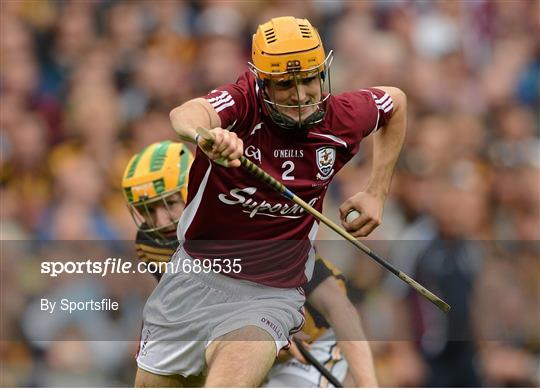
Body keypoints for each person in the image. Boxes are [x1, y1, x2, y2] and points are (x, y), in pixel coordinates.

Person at [135, 16, 406, 387]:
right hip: (194, 279)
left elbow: (396, 103)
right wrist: (208, 133)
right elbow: (185, 114)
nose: (299, 96)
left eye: (309, 79)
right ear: (261, 83)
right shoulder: (243, 104)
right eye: (284, 85)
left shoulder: (343, 118)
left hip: (270, 297)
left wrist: (377, 192)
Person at [122, 141, 378, 387]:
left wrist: (367, 384)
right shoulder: (150, 243)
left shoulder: (244, 225)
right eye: (147, 210)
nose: (159, 221)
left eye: (169, 204)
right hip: (236, 340)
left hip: (313, 346)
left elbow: (338, 307)